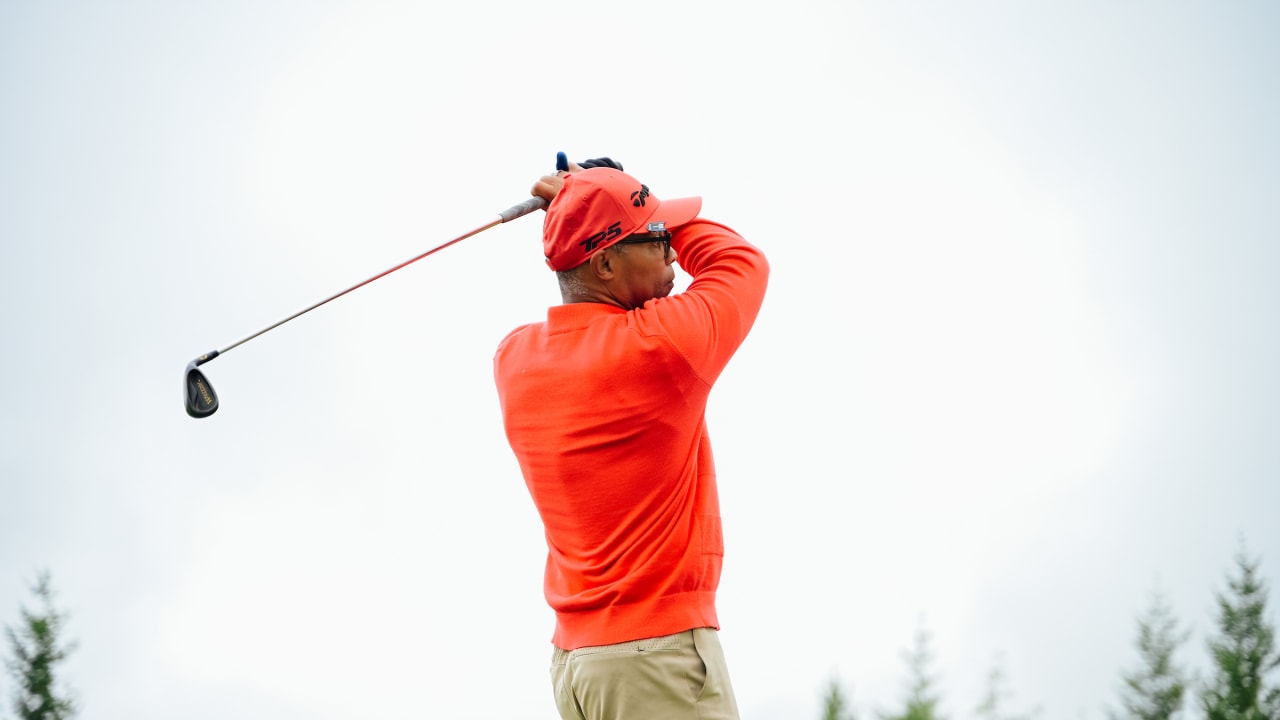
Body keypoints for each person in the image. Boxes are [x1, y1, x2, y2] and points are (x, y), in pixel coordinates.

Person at [492, 156, 769, 720]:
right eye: (656, 236)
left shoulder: (513, 356)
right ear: (606, 264)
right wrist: (593, 194)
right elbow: (740, 261)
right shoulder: (662, 346)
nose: (671, 250)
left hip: (577, 667)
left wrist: (597, 202)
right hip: (655, 663)